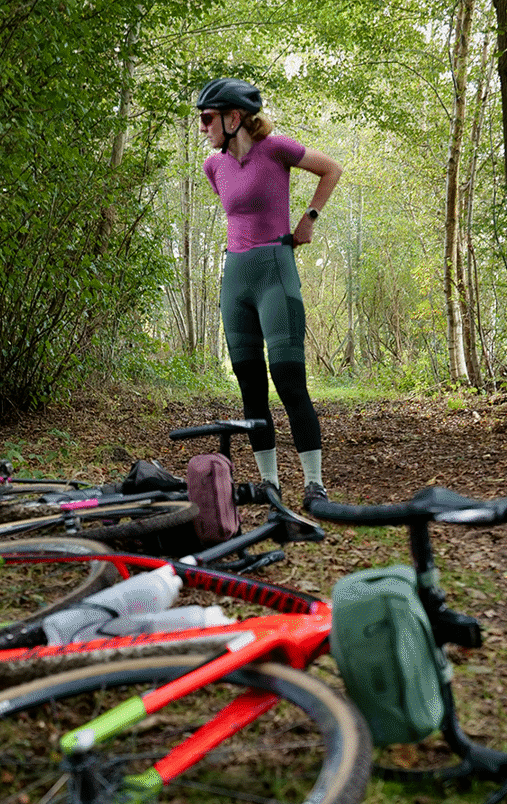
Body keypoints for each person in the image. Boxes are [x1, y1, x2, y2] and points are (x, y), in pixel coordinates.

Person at [196, 77, 342, 510]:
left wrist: (308, 219)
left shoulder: (277, 149)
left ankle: (314, 484)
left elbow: (331, 168)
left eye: (207, 118)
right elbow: (235, 213)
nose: (203, 127)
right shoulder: (213, 167)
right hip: (235, 279)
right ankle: (269, 484)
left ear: (233, 116)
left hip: (275, 272)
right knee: (251, 388)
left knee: (289, 380)